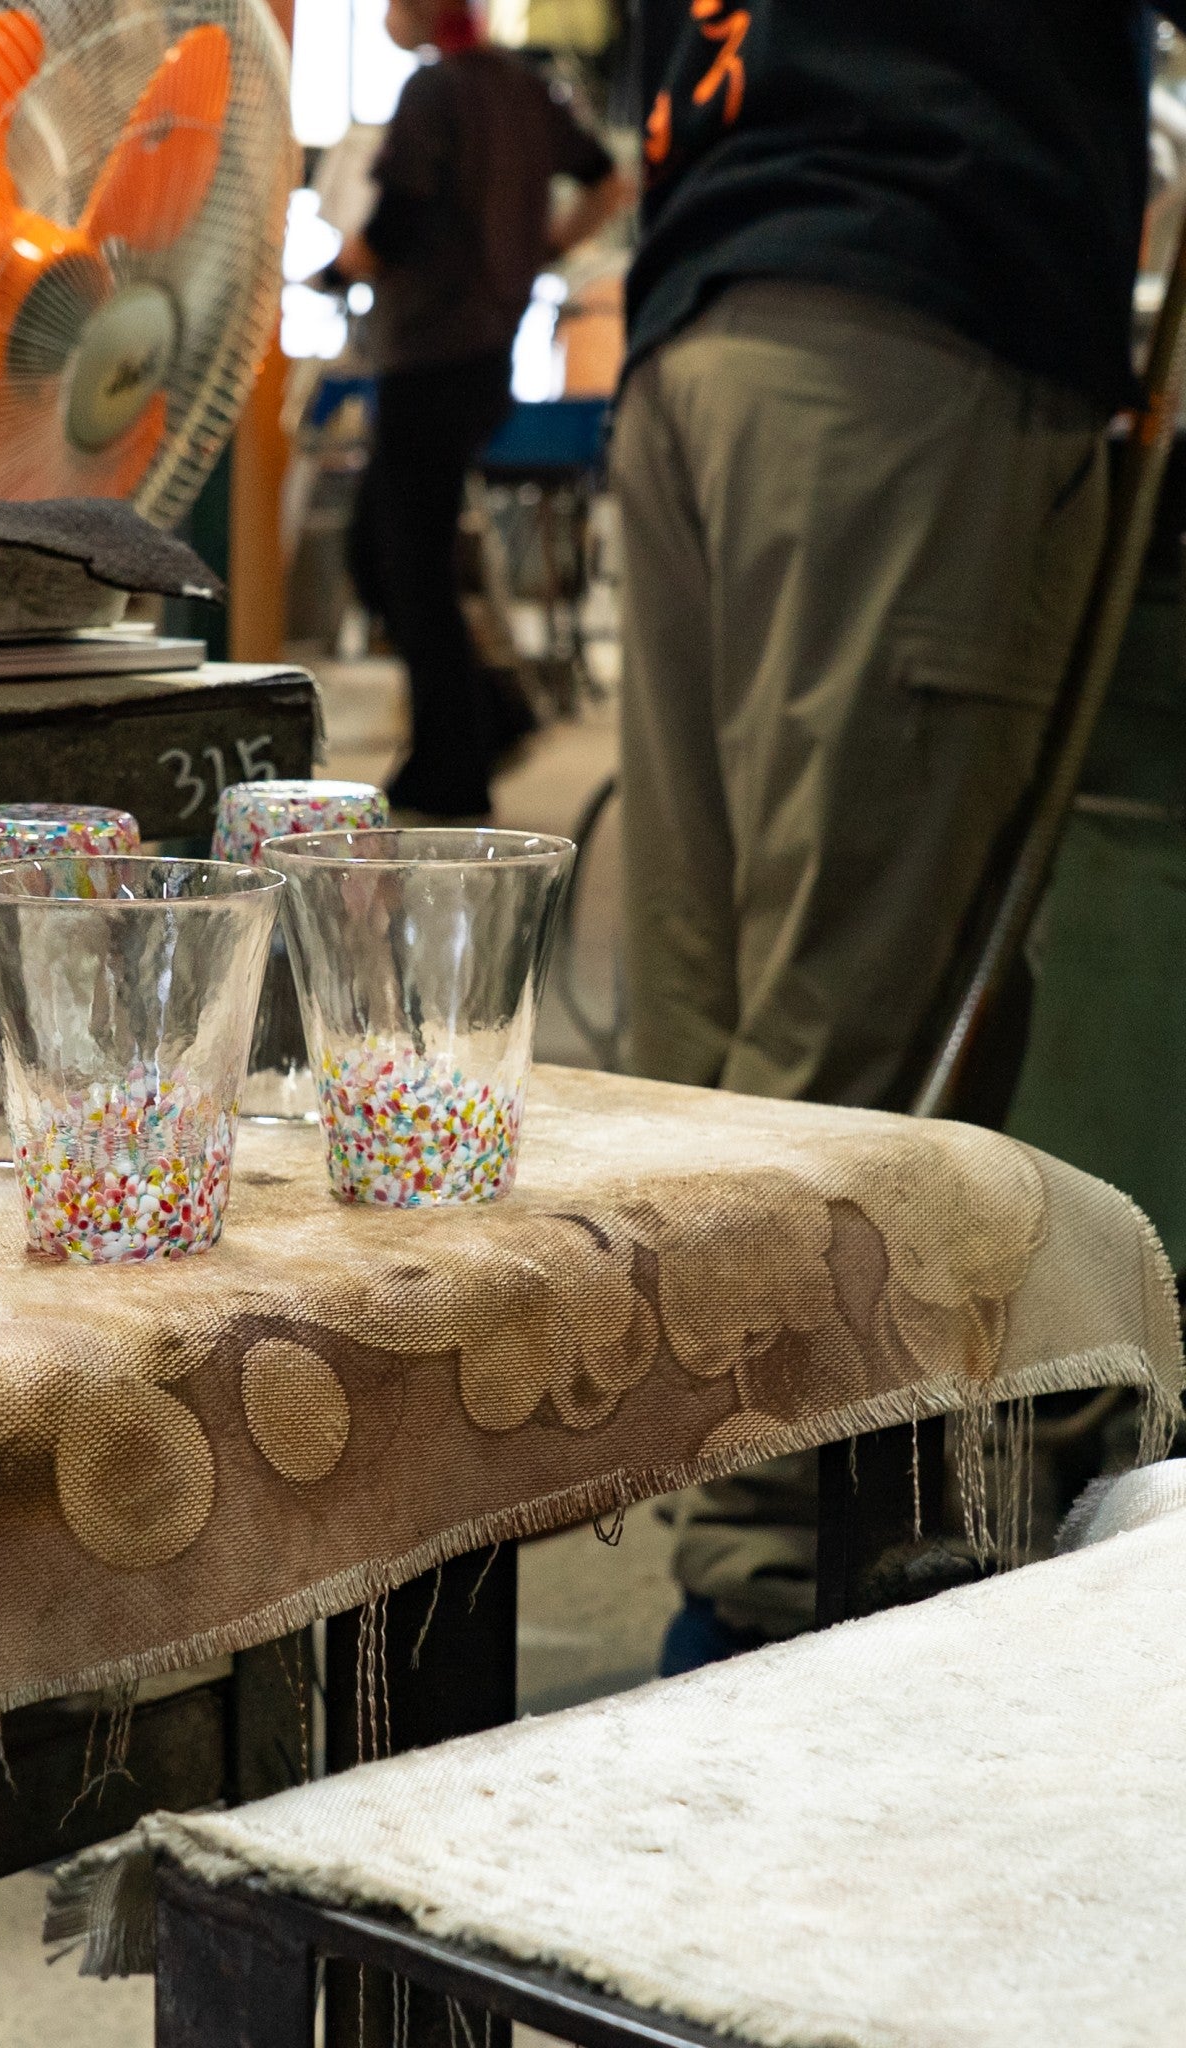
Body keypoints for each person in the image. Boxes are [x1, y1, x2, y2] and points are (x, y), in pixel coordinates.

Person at [615, 2, 1182, 1667]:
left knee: (703, 1058)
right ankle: (779, 1626)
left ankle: (734, 1575)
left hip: (703, 310)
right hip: (906, 322)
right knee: (854, 1057)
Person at [334, 0, 630, 818]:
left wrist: (335, 269)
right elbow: (609, 180)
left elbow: (393, 221)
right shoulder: (526, 93)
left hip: (430, 355)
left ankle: (455, 763)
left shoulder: (435, 92)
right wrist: (543, 252)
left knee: (406, 564)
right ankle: (489, 719)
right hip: (486, 358)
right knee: (384, 549)